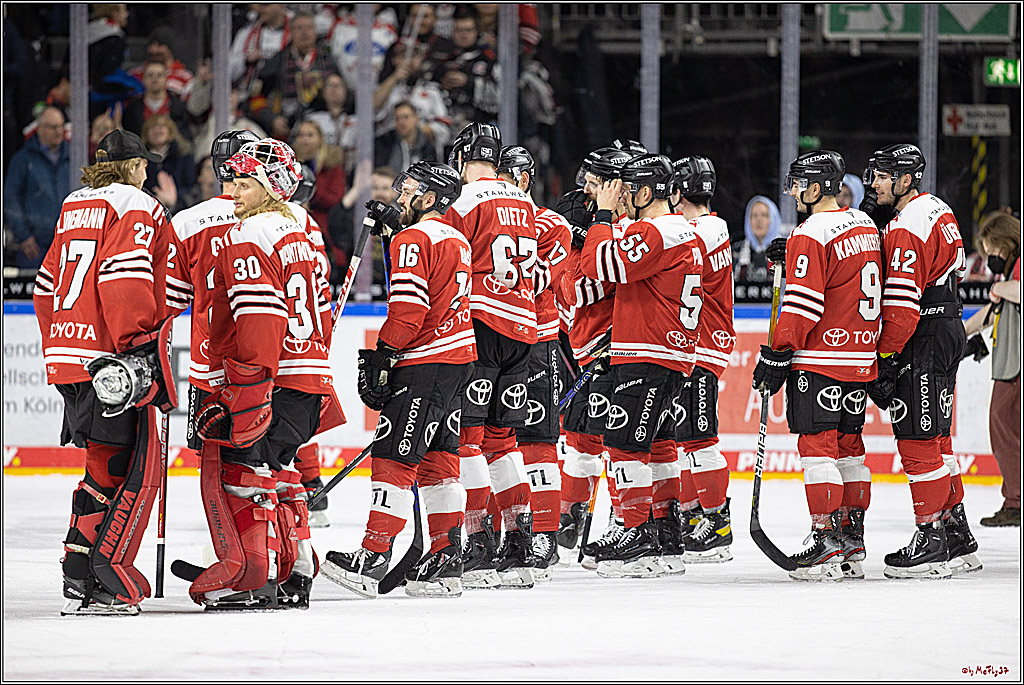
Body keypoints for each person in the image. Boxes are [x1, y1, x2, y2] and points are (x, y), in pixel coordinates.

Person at [183, 138, 332, 610]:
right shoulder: (301, 232)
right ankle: (296, 569)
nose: (234, 190)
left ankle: (252, 575)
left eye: (245, 182)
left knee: (242, 473)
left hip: (270, 379)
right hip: (308, 377)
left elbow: (259, 319)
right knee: (282, 471)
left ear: (269, 187)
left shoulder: (248, 235)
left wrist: (247, 386)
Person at [33, 129, 174, 615]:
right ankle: (96, 576)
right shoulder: (138, 205)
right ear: (133, 167)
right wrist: (137, 348)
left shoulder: (74, 204)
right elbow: (125, 276)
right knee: (118, 464)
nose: (148, 172)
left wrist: (59, 342)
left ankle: (79, 567)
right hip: (110, 356)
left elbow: (46, 283)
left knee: (101, 460)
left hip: (68, 354)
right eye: (144, 165)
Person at [322, 161, 474, 599]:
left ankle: (373, 557)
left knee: (395, 455)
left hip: (424, 362)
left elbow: (409, 308)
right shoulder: (455, 238)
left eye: (408, 191)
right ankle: (446, 559)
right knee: (439, 461)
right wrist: (392, 237)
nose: (399, 197)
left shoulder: (414, 238)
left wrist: (385, 353)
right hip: (457, 362)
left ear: (429, 200)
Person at [753, 150, 881, 582]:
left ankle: (824, 539)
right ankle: (851, 540)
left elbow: (804, 303)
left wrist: (777, 351)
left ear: (813, 188)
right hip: (860, 358)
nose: (791, 192)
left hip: (821, 359)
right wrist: (794, 251)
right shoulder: (863, 224)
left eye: (796, 184)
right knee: (850, 449)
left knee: (817, 449)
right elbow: (842, 273)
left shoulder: (811, 232)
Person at [579, 153, 704, 579]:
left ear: (647, 192)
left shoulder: (656, 230)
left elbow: (600, 265)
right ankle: (666, 532)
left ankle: (638, 533)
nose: (624, 197)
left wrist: (601, 216)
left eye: (630, 190)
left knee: (624, 444)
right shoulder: (678, 230)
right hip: (670, 354)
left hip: (648, 353)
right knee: (658, 444)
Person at [863, 143, 980, 579]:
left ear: (906, 179)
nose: (874, 184)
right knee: (938, 439)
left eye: (881, 176)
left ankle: (930, 537)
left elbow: (901, 305)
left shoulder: (907, 227)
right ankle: (956, 533)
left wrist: (888, 358)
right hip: (949, 325)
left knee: (916, 437)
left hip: (923, 333)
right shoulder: (939, 209)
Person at [445, 123, 539, 589]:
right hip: (523, 330)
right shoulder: (524, 201)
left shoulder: (463, 202)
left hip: (481, 326)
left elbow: (445, 260)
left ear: (462, 156)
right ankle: (519, 542)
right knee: (504, 441)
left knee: (468, 440)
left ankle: (479, 540)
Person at [495, 145, 572, 580]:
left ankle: (543, 531)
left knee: (538, 438)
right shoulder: (482, 214)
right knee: (490, 437)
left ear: (525, 180)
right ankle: (495, 529)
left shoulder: (549, 224)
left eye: (509, 177)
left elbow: (552, 281)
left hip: (537, 341)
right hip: (488, 342)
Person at [554, 146, 633, 566]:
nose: (585, 186)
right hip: (587, 347)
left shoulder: (617, 229)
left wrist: (574, 246)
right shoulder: (600, 223)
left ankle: (626, 522)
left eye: (595, 179)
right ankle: (571, 518)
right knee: (581, 436)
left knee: (618, 441)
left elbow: (580, 290)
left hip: (610, 348)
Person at [669, 156, 736, 564]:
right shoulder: (713, 226)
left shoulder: (699, 230)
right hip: (698, 345)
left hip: (701, 346)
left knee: (698, 438)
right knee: (686, 437)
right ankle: (696, 514)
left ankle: (717, 522)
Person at [962, 210, 1021, 528]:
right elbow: (992, 310)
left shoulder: (1017, 269)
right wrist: (964, 334)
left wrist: (1000, 290)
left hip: (1014, 365)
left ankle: (1016, 501)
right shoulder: (1009, 273)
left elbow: (1010, 294)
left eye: (993, 251)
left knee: (1003, 428)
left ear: (1006, 242)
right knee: (1006, 430)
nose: (991, 259)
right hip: (1008, 361)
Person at [4, 106, 69, 270]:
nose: (59, 131)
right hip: (34, 247)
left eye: (61, 126)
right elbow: (11, 199)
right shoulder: (22, 159)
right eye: (53, 127)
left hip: (67, 244)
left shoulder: (73, 157)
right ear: (40, 129)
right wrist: (23, 236)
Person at [254, 11, 337, 138]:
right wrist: (272, 119)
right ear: (290, 32)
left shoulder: (328, 61)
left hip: (323, 129)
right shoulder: (277, 61)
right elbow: (256, 97)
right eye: (299, 28)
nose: (304, 32)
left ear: (315, 31)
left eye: (308, 27)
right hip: (287, 130)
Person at [328, 164, 397, 292]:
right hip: (359, 287)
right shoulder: (358, 218)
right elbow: (335, 230)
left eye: (385, 188)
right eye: (375, 188)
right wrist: (357, 189)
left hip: (391, 287)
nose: (380, 193)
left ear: (394, 192)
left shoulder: (402, 220)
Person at [442, 7, 500, 131]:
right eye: (459, 30)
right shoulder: (444, 60)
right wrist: (441, 86)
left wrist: (468, 83)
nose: (464, 35)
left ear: (477, 31)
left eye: (468, 30)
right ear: (452, 32)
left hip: (482, 130)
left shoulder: (489, 60)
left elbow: (501, 99)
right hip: (449, 131)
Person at [290, 119, 346, 231]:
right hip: (293, 220)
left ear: (320, 138)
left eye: (310, 135)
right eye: (301, 135)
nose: (305, 140)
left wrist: (307, 195)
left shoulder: (332, 164)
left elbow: (335, 198)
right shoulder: (289, 164)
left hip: (325, 224)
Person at [123, 60, 192, 143]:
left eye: (159, 75)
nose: (154, 79)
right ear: (143, 79)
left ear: (166, 79)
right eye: (150, 75)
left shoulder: (180, 106)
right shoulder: (132, 108)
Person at [229, 4, 291, 95]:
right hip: (250, 96)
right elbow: (228, 71)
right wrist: (245, 60)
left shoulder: (296, 31)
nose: (261, 9)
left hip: (284, 95)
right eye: (259, 4)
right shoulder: (246, 33)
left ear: (282, 4)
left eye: (265, 4)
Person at [140, 114, 196, 213]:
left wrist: (173, 198)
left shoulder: (184, 156)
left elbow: (192, 188)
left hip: (180, 211)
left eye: (161, 126)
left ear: (170, 131)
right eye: (152, 127)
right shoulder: (140, 159)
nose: (157, 131)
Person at [127, 26, 195, 101]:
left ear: (170, 48)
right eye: (151, 46)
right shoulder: (134, 75)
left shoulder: (186, 79)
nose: (154, 50)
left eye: (159, 45)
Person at [375, 101, 438, 172]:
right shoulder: (384, 142)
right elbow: (379, 171)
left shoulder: (427, 145)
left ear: (416, 119)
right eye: (397, 118)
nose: (402, 122)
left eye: (406, 117)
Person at [732, 195, 781, 284]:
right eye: (754, 215)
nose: (759, 220)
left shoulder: (783, 252)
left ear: (773, 219)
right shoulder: (735, 251)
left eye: (764, 215)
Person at [303, 73, 355, 151]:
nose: (333, 89)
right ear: (323, 92)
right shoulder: (312, 118)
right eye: (330, 85)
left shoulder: (356, 119)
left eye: (338, 85)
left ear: (346, 91)